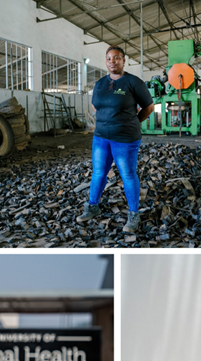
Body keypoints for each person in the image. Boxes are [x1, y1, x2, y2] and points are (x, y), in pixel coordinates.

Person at [76, 46, 154, 233]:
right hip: (101, 138)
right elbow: (96, 107)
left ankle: (133, 214)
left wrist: (131, 122)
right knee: (98, 173)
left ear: (124, 60)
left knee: (127, 175)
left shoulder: (133, 82)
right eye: (109, 58)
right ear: (106, 61)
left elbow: (149, 108)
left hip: (125, 139)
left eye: (117, 58)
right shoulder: (101, 83)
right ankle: (93, 206)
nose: (113, 62)